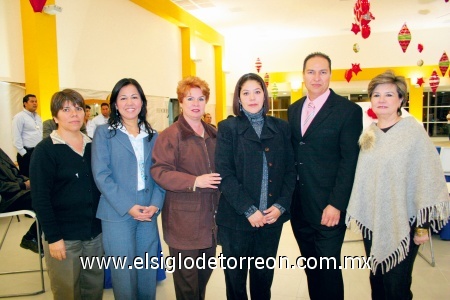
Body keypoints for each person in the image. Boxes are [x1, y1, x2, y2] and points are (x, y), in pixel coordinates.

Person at [346, 70, 450, 300]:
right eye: (376, 94)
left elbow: (427, 179)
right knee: (377, 282)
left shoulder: (414, 132)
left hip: (406, 222)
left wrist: (423, 227)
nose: (381, 99)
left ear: (401, 99)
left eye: (389, 94)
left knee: (397, 286)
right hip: (373, 222)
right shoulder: (369, 133)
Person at [287, 52, 363, 300]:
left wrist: (336, 204)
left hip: (328, 208)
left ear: (330, 74)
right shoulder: (293, 109)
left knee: (328, 270)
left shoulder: (347, 111)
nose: (316, 77)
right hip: (299, 208)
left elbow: (349, 161)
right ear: (303, 76)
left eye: (322, 72)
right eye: (311, 72)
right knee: (311, 268)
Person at [215, 73, 296, 300]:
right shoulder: (228, 128)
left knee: (263, 282)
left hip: (271, 220)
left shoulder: (281, 128)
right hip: (236, 220)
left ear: (265, 95)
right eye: (246, 93)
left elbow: (291, 171)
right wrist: (249, 210)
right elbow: (224, 174)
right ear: (238, 99)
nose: (252, 97)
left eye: (257, 91)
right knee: (236, 283)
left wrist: (281, 205)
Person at [92, 78, 165, 300]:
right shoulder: (104, 133)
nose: (129, 102)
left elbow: (160, 174)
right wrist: (128, 206)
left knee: (146, 269)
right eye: (123, 97)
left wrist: (155, 204)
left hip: (148, 211)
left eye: (134, 97)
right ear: (115, 104)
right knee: (123, 272)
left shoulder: (153, 136)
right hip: (117, 211)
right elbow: (101, 175)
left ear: (142, 102)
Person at [151, 76, 221, 300]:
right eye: (189, 98)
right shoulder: (170, 136)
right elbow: (159, 171)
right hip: (184, 225)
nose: (196, 103)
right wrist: (194, 181)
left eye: (201, 98)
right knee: (187, 285)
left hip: (211, 222)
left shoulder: (213, 134)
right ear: (180, 102)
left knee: (203, 277)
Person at [30, 89, 103, 300]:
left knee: (94, 288)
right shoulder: (45, 150)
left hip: (94, 235)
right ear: (55, 116)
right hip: (64, 237)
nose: (74, 114)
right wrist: (54, 237)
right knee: (67, 291)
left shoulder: (93, 146)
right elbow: (40, 198)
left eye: (78, 108)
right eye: (66, 109)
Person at [0, 147, 41, 255]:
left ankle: (34, 237)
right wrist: (23, 185)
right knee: (46, 201)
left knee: (55, 195)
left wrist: (27, 180)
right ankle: (31, 237)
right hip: (7, 199)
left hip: (17, 192)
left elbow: (15, 173)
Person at [12, 94, 43, 177]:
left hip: (38, 152)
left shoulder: (38, 117)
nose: (35, 103)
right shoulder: (19, 117)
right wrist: (24, 153)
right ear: (25, 103)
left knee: (39, 177)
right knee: (28, 179)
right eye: (32, 101)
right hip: (27, 153)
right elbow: (16, 136)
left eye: (36, 101)